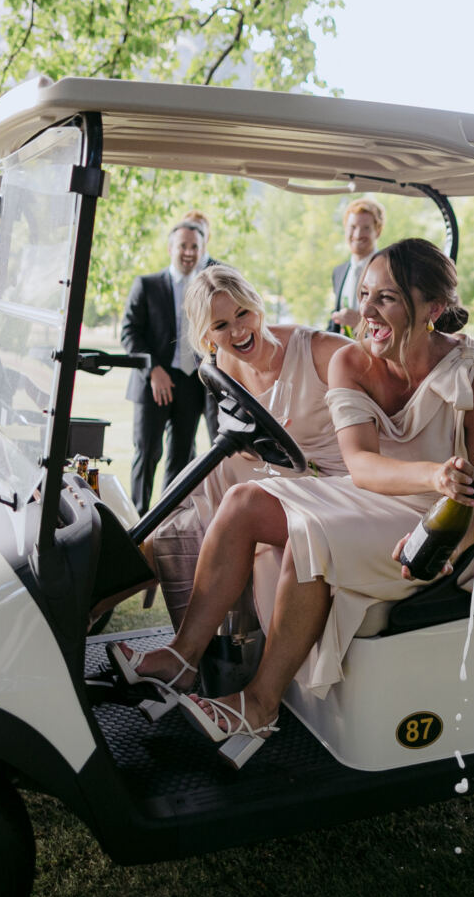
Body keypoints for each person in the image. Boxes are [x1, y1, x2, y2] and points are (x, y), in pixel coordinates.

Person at [111, 238, 474, 769]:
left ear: (434, 310)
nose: (367, 311)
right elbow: (360, 466)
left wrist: (451, 539)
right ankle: (181, 658)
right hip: (373, 494)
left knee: (309, 536)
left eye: (387, 299)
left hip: (446, 529)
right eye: (366, 294)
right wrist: (432, 472)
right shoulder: (355, 362)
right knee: (241, 501)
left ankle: (258, 706)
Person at [121, 264, 351, 634]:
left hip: (330, 480)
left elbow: (385, 377)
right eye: (221, 325)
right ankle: (95, 600)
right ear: (207, 335)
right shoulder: (225, 361)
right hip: (276, 468)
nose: (239, 330)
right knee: (174, 515)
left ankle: (199, 642)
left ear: (257, 307)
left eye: (242, 313)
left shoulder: (320, 350)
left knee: (200, 500)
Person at [121, 211, 221, 515]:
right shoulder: (147, 285)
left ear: (203, 251)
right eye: (183, 246)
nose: (188, 252)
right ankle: (135, 519)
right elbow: (129, 332)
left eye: (195, 247)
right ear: (170, 248)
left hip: (192, 383)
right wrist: (154, 369)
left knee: (181, 458)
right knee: (147, 452)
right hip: (153, 384)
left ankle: (164, 522)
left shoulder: (209, 290)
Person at [327, 196, 385, 335]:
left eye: (366, 228)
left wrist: (360, 322)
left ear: (377, 231)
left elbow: (399, 325)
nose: (358, 235)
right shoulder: (339, 272)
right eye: (353, 227)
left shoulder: (388, 271)